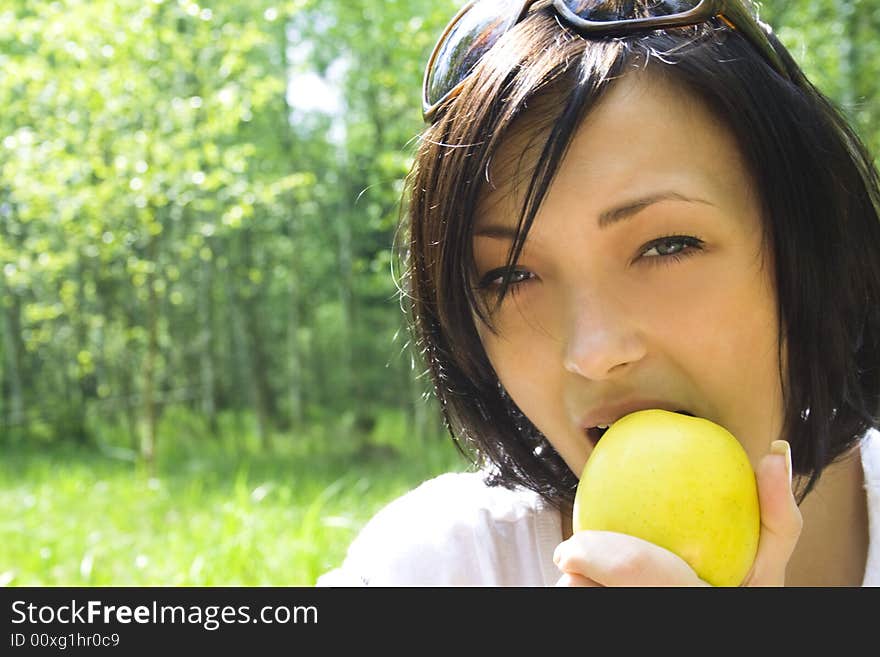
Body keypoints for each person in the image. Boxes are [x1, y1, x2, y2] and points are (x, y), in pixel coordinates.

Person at [318, 0, 880, 586]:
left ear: (813, 246)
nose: (593, 351)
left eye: (666, 245)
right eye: (510, 276)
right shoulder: (432, 571)